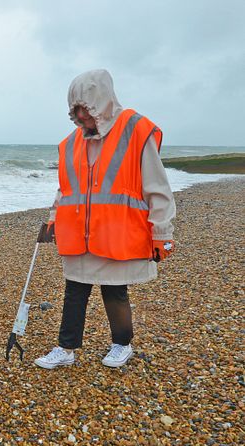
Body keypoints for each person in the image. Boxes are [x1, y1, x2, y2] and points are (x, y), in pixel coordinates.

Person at [35, 69, 176, 370]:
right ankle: (66, 347)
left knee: (114, 290)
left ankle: (122, 344)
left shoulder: (135, 129)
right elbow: (65, 189)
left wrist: (162, 231)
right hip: (78, 231)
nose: (81, 119)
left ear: (101, 104)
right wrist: (52, 219)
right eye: (76, 113)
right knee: (74, 289)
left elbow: (157, 186)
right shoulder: (73, 142)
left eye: (86, 111)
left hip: (116, 232)